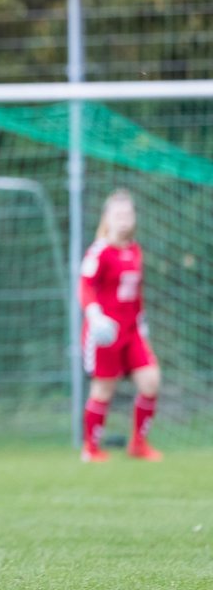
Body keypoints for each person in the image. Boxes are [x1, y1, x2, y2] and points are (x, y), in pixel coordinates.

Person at [80, 189, 163, 463]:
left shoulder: (135, 250)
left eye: (128, 214)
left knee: (151, 380)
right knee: (104, 389)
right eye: (119, 214)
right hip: (106, 332)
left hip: (132, 330)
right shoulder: (100, 251)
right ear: (108, 218)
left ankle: (138, 444)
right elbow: (85, 286)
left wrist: (143, 325)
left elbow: (136, 294)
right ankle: (90, 449)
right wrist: (95, 316)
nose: (124, 220)